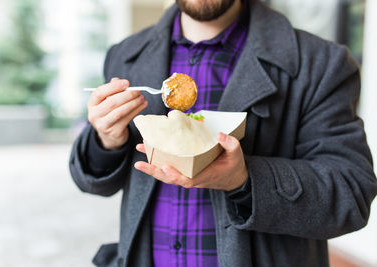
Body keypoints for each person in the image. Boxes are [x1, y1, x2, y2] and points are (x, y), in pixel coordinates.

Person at [69, 0, 377, 266]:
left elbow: (351, 194)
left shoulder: (320, 65)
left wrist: (244, 180)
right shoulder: (125, 56)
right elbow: (93, 182)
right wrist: (106, 140)